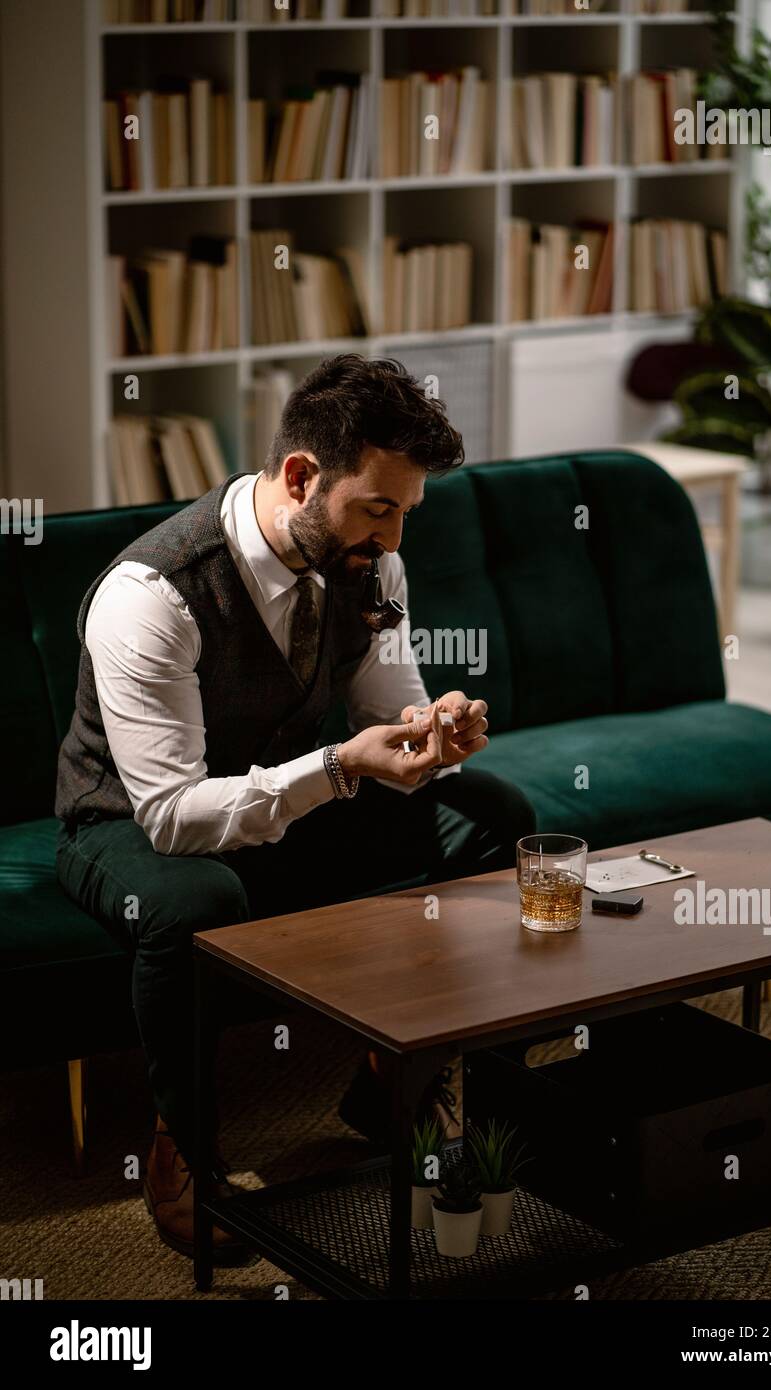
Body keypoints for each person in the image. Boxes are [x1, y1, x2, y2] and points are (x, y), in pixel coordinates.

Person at [54, 354, 536, 1263]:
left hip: (291, 795)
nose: (393, 539)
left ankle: (400, 1078)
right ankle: (182, 1147)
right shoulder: (151, 594)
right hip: (123, 822)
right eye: (378, 507)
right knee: (198, 901)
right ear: (302, 477)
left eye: (406, 513)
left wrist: (429, 734)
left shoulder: (370, 565)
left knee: (494, 813)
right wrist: (342, 769)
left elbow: (383, 712)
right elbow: (170, 813)